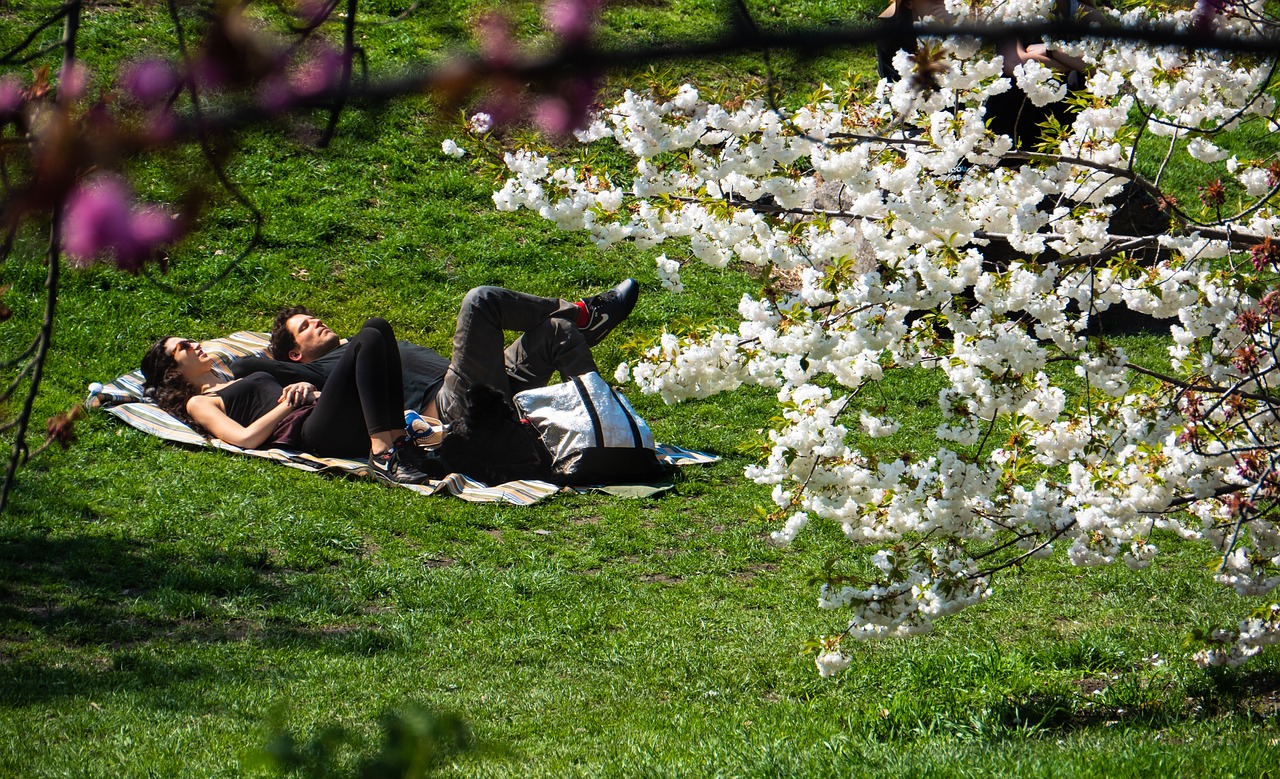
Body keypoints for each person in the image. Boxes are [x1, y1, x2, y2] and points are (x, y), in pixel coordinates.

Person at [232, 280, 640, 429]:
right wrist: (278, 362)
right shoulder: (325, 372)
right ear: (294, 355)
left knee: (555, 332)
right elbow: (244, 364)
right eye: (304, 328)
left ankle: (604, 425)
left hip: (482, 384)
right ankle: (586, 314)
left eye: (314, 317)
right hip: (449, 409)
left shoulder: (362, 343)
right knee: (479, 302)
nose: (316, 323)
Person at [141, 318, 432, 485]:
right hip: (312, 432)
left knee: (379, 329)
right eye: (183, 347)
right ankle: (382, 454)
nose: (195, 344)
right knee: (368, 336)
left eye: (191, 340)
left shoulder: (232, 381)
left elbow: (286, 395)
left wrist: (303, 387)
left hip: (322, 414)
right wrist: (288, 404)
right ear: (173, 371)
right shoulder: (200, 402)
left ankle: (398, 446)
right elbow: (245, 439)